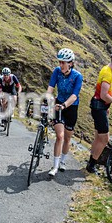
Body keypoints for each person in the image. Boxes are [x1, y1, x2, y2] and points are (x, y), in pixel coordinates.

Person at [45, 48, 84, 178]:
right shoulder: (57, 71)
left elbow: (74, 96)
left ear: (71, 63)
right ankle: (55, 166)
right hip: (58, 105)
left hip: (71, 108)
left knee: (67, 138)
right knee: (60, 136)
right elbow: (50, 88)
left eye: (64, 62)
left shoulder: (77, 76)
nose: (61, 65)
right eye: (60, 62)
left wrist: (64, 105)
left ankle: (63, 161)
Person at [87, 51, 112, 173]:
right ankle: (91, 165)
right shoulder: (108, 73)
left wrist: (107, 106)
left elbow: (100, 92)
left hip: (99, 107)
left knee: (98, 136)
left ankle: (90, 162)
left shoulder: (105, 70)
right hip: (99, 108)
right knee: (104, 139)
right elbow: (104, 95)